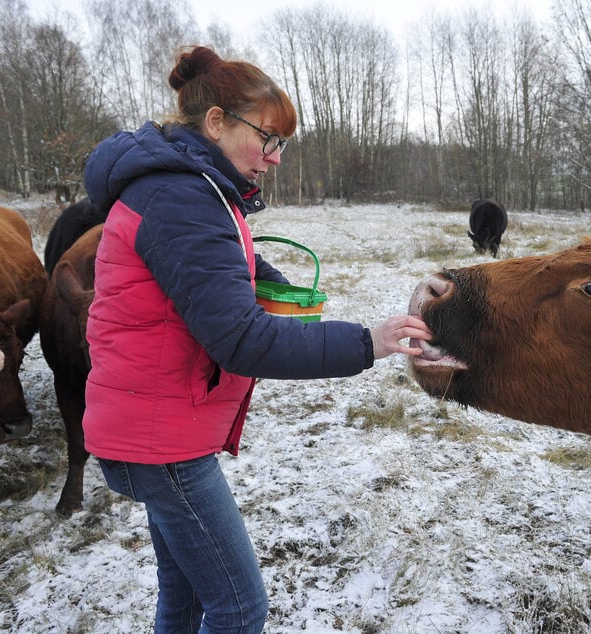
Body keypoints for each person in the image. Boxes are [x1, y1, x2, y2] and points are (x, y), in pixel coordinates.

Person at [81, 45, 431, 633]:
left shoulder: (187, 188)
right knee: (239, 608)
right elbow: (241, 341)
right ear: (215, 122)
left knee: (188, 598)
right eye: (266, 137)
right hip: (160, 438)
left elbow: (208, 264)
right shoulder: (181, 196)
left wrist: (272, 283)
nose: (273, 157)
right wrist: (368, 342)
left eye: (280, 144)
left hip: (152, 423)